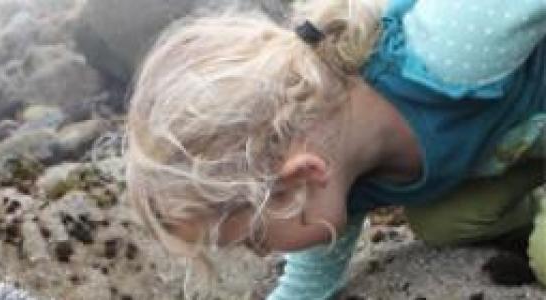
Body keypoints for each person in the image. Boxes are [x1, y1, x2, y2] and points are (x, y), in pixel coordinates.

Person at [125, 0, 546, 299]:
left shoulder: (449, 45)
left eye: (257, 241)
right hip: (521, 151)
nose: (267, 253)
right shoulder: (341, 179)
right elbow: (307, 286)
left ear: (299, 179)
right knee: (444, 223)